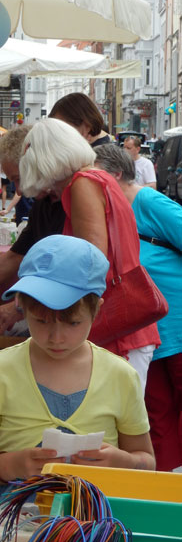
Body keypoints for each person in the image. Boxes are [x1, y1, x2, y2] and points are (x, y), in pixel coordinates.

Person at [0, 235, 155, 503]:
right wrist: (9, 465)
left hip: (93, 525)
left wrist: (123, 461)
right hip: (18, 521)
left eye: (73, 323)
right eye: (41, 321)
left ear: (96, 311)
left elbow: (147, 461)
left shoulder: (121, 375)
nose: (56, 338)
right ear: (21, 307)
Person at [19, 118, 160, 389]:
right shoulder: (98, 178)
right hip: (125, 323)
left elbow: (92, 261)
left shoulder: (83, 184)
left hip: (117, 327)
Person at [94, 143, 182, 471]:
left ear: (116, 175)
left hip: (177, 321)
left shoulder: (147, 200)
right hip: (148, 327)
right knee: (155, 416)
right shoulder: (111, 211)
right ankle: (165, 489)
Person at [0, 125, 64, 332]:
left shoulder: (75, 196)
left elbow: (70, 271)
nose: (18, 189)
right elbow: (17, 255)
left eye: (18, 178)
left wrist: (20, 306)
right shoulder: (43, 203)